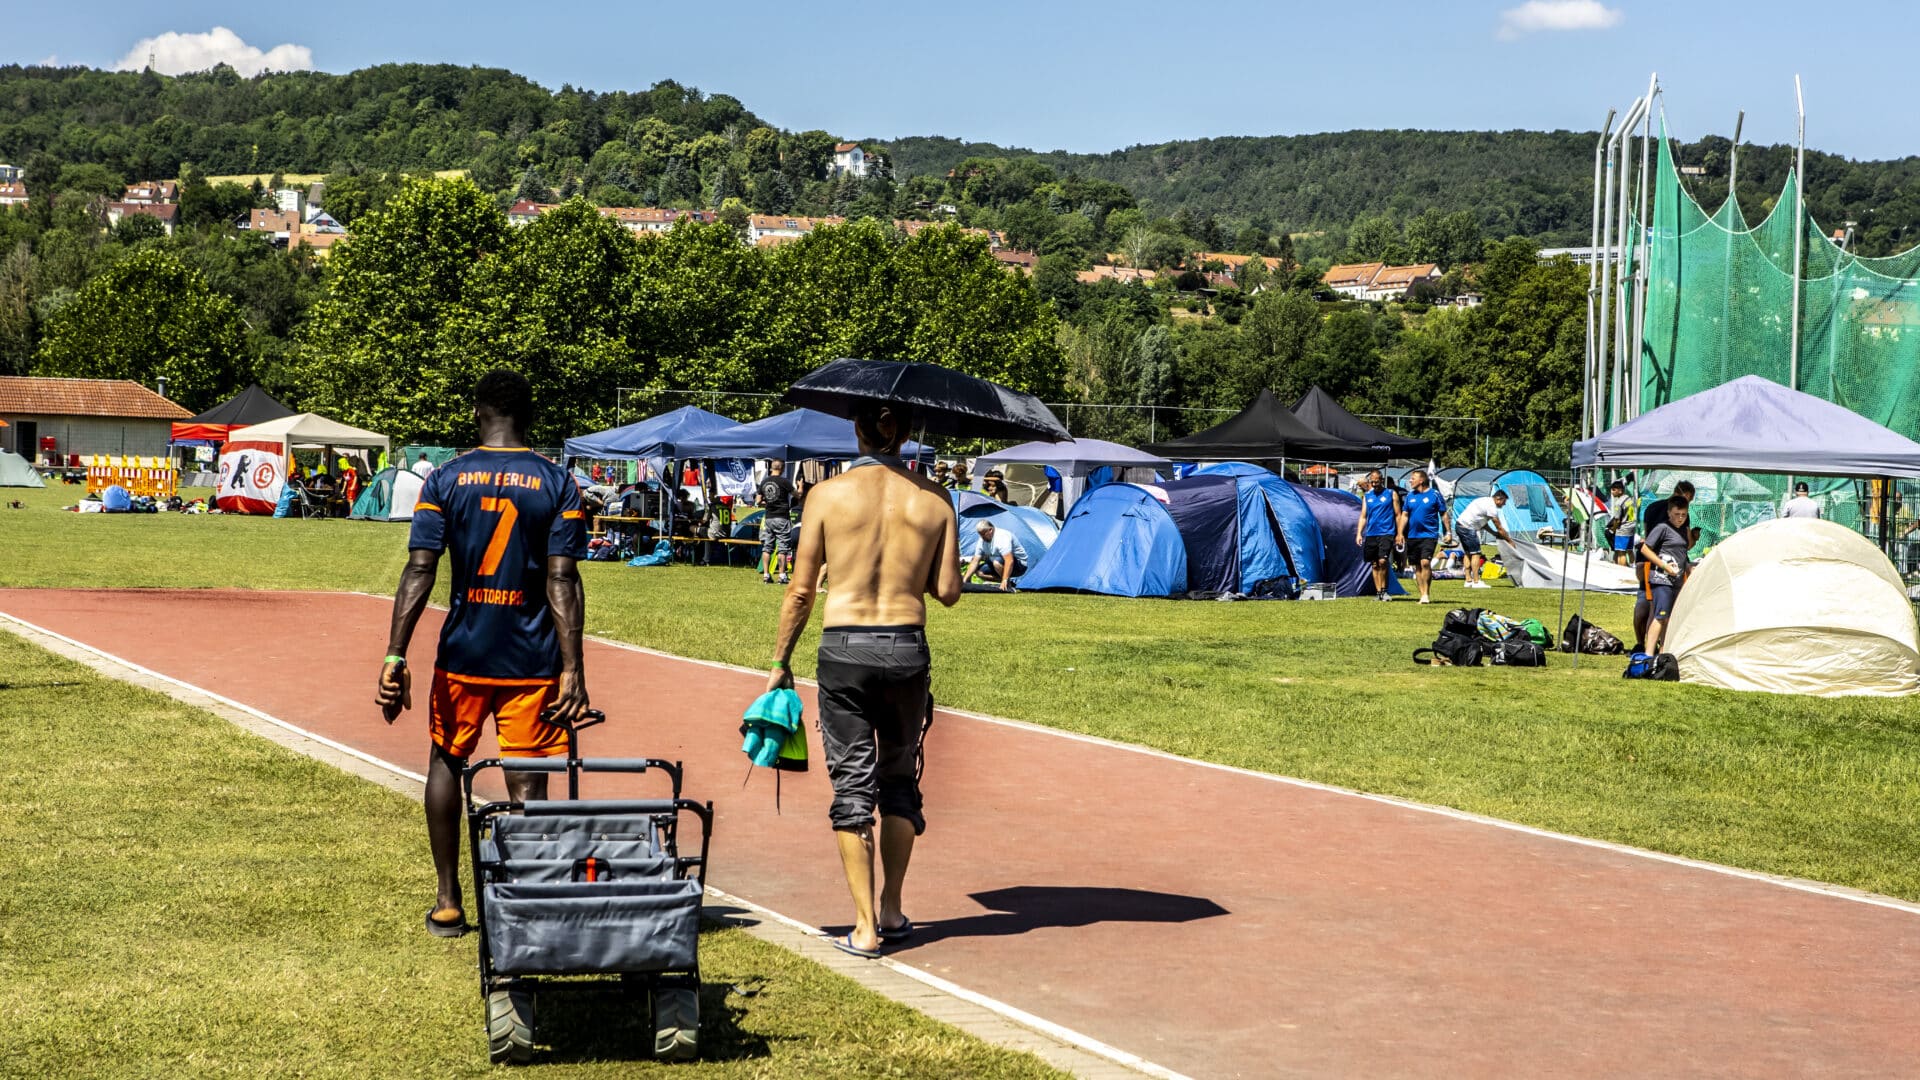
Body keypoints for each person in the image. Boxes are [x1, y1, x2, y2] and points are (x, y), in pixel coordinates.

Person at [375, 369, 590, 938]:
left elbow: (420, 568)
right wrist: (575, 668)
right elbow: (562, 581)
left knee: (446, 762)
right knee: (527, 779)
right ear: (529, 416)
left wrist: (394, 656)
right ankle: (523, 902)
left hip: (465, 654)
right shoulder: (558, 483)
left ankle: (448, 901)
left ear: (477, 413)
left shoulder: (444, 478)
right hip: (533, 661)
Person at [766, 400, 961, 959]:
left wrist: (781, 661)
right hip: (905, 648)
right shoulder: (937, 498)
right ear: (904, 433)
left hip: (844, 647)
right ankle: (894, 907)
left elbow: (801, 590)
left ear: (857, 430)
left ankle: (865, 926)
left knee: (853, 784)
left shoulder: (825, 495)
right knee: (899, 779)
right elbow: (948, 592)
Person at [1638, 496, 1692, 654]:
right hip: (1661, 579)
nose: (1680, 518)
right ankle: (1648, 654)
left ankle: (1663, 653)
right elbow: (1645, 549)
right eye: (1677, 514)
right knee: (1660, 616)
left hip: (1677, 580)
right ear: (1669, 513)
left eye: (1683, 515)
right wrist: (1664, 566)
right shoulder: (1662, 527)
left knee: (1669, 618)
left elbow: (1683, 551)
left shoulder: (1683, 530)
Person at [1398, 469, 1449, 605]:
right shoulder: (1410, 496)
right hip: (1412, 535)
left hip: (1429, 534)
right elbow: (1404, 515)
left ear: (1421, 480)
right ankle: (1422, 594)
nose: (1410, 480)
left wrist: (1448, 532)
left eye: (1413, 478)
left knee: (1425, 562)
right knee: (1417, 566)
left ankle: (1426, 593)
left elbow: (1443, 514)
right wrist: (1400, 533)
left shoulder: (1435, 495)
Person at [1353, 469, 1402, 601]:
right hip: (1371, 533)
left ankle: (1385, 590)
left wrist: (1400, 533)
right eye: (1372, 482)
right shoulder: (1367, 497)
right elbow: (1363, 516)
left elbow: (1398, 515)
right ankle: (1379, 592)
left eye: (1376, 481)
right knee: (1374, 564)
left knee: (1383, 561)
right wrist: (1359, 533)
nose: (1374, 484)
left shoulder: (1391, 494)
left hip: (1387, 532)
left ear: (1381, 480)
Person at [1454, 489, 1512, 589]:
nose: (1504, 504)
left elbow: (1483, 524)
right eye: (1504, 502)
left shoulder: (1483, 500)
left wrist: (1493, 533)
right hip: (1468, 528)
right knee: (1476, 554)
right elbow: (1499, 527)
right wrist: (1510, 541)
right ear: (1498, 499)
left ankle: (1468, 580)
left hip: (1459, 525)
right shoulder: (1492, 507)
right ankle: (1476, 582)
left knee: (1468, 553)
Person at [757, 459, 797, 585]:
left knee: (767, 547)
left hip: (768, 518)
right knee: (783, 548)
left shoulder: (764, 481)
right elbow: (797, 495)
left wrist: (768, 503)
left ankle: (766, 575)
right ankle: (782, 576)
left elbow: (758, 501)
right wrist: (801, 487)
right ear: (783, 468)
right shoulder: (785, 482)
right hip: (782, 517)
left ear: (771, 468)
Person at [963, 520, 1026, 590]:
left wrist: (1004, 579)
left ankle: (1007, 585)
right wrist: (965, 581)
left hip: (1019, 565)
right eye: (980, 534)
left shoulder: (1002, 537)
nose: (982, 537)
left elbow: (1009, 560)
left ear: (990, 530)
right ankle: (1010, 583)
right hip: (997, 563)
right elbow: (975, 561)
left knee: (996, 562)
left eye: (983, 534)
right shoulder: (982, 540)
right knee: (979, 572)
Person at [1606, 479, 1639, 566]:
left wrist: (1612, 530)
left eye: (1614, 490)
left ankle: (1622, 571)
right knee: (1629, 550)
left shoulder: (1618, 503)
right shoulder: (1629, 499)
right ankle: (1633, 566)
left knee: (1621, 553)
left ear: (1620, 490)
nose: (1612, 492)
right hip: (1631, 527)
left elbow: (1617, 520)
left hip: (1623, 529)